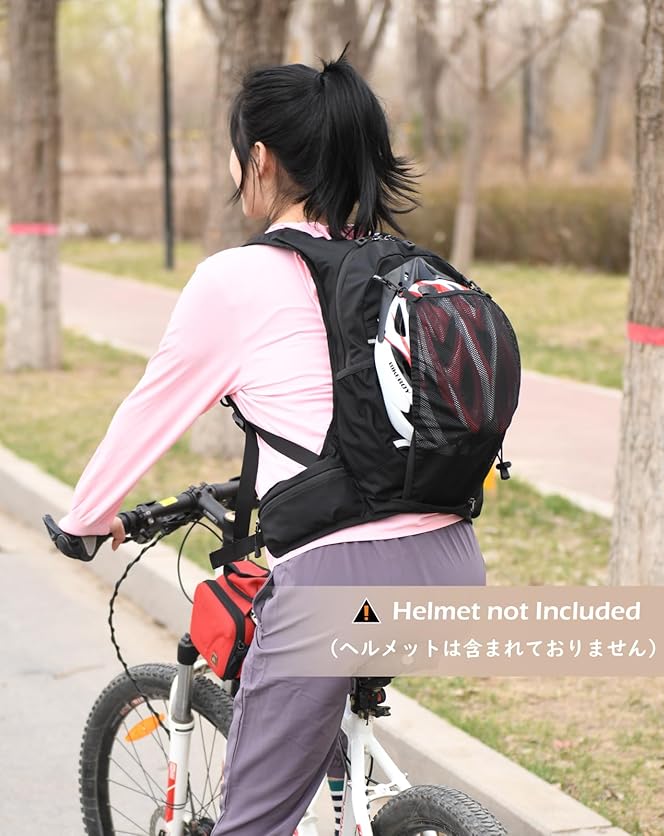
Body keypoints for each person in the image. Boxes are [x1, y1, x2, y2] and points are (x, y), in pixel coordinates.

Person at [58, 51, 487, 836]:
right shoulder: (402, 268)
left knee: (251, 821)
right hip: (455, 569)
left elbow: (148, 412)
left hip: (337, 589)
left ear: (258, 159)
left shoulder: (237, 279)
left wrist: (84, 521)